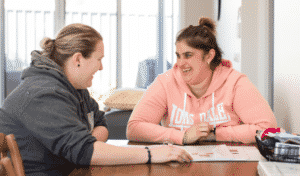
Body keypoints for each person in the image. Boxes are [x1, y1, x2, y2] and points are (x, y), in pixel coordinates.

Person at [0, 23, 192, 176]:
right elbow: (85, 152)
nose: (101, 67)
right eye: (99, 59)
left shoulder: (74, 88)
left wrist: (87, 144)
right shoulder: (43, 93)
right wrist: (151, 154)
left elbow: (101, 123)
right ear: (78, 59)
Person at [126, 17, 278, 145]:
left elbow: (269, 128)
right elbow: (134, 128)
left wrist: (216, 134)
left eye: (188, 55)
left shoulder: (235, 83)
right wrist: (183, 137)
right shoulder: (165, 82)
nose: (180, 63)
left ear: (209, 56)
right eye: (178, 55)